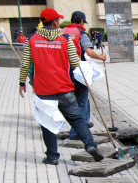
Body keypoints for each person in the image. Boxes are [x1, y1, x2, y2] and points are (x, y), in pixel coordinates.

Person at [18, 8, 104, 165]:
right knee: (76, 118)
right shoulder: (65, 39)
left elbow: (25, 64)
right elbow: (75, 62)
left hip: (43, 90)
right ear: (56, 22)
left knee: (47, 122)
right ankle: (90, 145)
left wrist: (21, 82)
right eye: (58, 20)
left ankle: (52, 157)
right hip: (64, 87)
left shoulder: (31, 39)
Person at [62, 11, 107, 139]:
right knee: (81, 100)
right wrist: (100, 57)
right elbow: (88, 51)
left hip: (64, 70)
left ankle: (85, 123)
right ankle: (76, 132)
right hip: (78, 71)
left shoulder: (62, 31)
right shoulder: (81, 33)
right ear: (82, 21)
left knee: (76, 100)